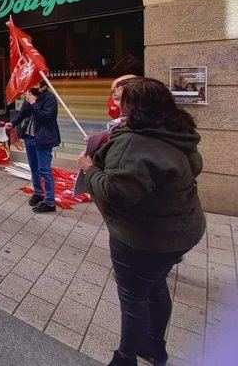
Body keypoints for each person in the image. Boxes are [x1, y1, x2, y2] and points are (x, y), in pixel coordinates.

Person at [77, 78, 205, 366]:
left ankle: (125, 358)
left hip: (144, 238)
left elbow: (117, 191)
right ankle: (154, 347)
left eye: (122, 99)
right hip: (181, 230)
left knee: (134, 297)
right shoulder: (174, 131)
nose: (116, 104)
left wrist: (90, 169)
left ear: (139, 107)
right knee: (156, 286)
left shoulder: (136, 142)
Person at [5, 80, 60, 213]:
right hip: (30, 138)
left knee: (44, 170)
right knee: (34, 168)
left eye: (36, 84)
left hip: (43, 139)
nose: (32, 87)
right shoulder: (30, 95)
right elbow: (22, 113)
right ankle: (38, 192)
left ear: (44, 87)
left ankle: (50, 202)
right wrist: (12, 123)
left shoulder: (50, 98)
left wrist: (34, 103)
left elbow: (46, 117)